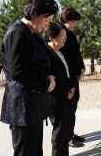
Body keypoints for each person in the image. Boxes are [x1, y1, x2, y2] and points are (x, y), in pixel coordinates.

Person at [0, 0, 58, 156]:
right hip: (23, 107)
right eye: (47, 19)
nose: (47, 25)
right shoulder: (18, 33)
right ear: (34, 13)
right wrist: (46, 84)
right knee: (26, 151)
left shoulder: (29, 33)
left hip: (32, 105)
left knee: (34, 150)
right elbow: (17, 72)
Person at [43, 21, 75, 156]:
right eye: (62, 37)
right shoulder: (46, 54)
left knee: (64, 131)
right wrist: (64, 95)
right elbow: (49, 81)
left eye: (65, 37)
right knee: (59, 132)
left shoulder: (60, 51)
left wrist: (72, 86)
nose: (64, 40)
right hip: (56, 98)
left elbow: (69, 71)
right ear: (51, 36)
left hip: (66, 95)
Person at [59, 8, 86, 147]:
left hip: (74, 77)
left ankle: (71, 132)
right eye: (73, 21)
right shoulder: (58, 33)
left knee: (73, 105)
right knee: (67, 107)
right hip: (65, 78)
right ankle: (66, 137)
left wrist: (82, 68)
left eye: (76, 22)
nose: (75, 24)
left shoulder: (72, 35)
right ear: (64, 19)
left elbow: (77, 55)